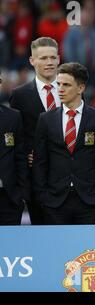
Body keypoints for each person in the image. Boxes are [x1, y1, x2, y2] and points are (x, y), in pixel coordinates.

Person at [33, 62, 95, 224]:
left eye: (66, 85)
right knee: (56, 248)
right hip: (54, 201)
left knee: (89, 249)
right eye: (59, 84)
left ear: (81, 88)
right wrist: (43, 195)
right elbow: (40, 161)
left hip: (90, 200)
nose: (60, 89)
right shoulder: (46, 119)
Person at [9, 37, 61, 225]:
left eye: (52, 57)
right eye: (43, 58)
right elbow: (17, 135)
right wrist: (28, 155)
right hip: (37, 180)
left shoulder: (70, 90)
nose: (49, 62)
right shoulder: (20, 95)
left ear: (58, 59)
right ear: (32, 61)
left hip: (69, 178)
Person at [0, 71, 28, 225]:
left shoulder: (13, 117)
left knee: (10, 247)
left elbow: (20, 157)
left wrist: (22, 194)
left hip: (9, 198)